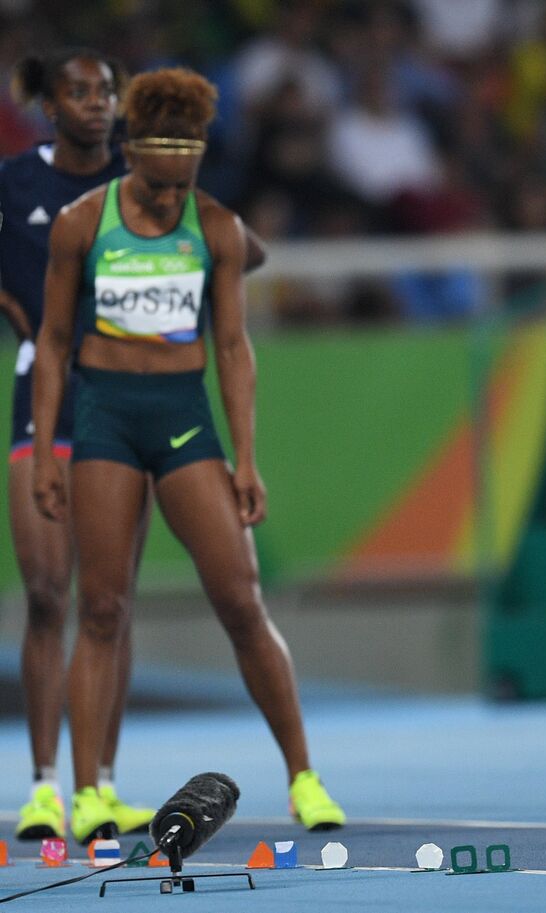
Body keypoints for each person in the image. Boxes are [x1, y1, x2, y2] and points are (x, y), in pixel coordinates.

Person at [30, 67, 344, 842]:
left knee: (241, 599)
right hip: (103, 417)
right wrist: (44, 451)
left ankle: (304, 775)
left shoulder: (215, 227)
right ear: (132, 156)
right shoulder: (79, 222)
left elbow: (233, 347)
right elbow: (55, 340)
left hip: (181, 419)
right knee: (101, 607)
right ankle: (91, 794)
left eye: (187, 182)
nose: (172, 199)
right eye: (161, 186)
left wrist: (245, 458)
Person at [0, 48, 151, 842]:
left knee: (109, 601)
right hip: (45, 396)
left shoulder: (142, 181)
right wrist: (26, 319)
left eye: (107, 92)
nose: (98, 104)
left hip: (129, 397)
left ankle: (102, 784)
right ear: (48, 106)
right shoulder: (14, 184)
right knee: (49, 591)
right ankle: (43, 784)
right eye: (80, 93)